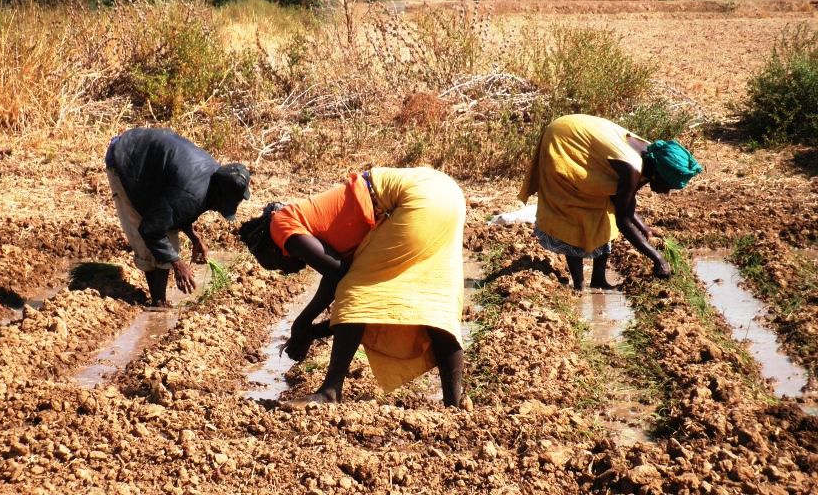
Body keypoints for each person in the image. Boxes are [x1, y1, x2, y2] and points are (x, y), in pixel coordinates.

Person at [243, 167, 466, 407]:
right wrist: (310, 330)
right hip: (446, 192)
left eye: (272, 265)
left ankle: (330, 391)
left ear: (268, 247)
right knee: (435, 303)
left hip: (414, 199)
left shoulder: (280, 226)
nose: (284, 271)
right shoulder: (301, 221)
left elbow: (339, 274)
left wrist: (303, 323)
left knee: (356, 292)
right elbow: (338, 275)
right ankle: (455, 404)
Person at [518, 114, 702, 291]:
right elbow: (623, 220)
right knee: (575, 210)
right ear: (659, 174)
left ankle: (598, 280)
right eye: (668, 186)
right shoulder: (632, 168)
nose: (667, 192)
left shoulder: (652, 156)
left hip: (581, 134)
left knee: (604, 210)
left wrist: (644, 228)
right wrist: (658, 259)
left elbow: (623, 203)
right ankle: (578, 285)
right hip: (564, 139)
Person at [104, 128, 251, 307]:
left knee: (167, 238)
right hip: (127, 159)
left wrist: (194, 237)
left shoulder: (213, 178)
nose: (216, 210)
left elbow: (176, 210)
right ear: (218, 194)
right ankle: (158, 302)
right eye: (221, 206)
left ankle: (159, 300)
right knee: (146, 238)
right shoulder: (191, 193)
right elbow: (150, 228)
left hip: (152, 166)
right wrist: (177, 263)